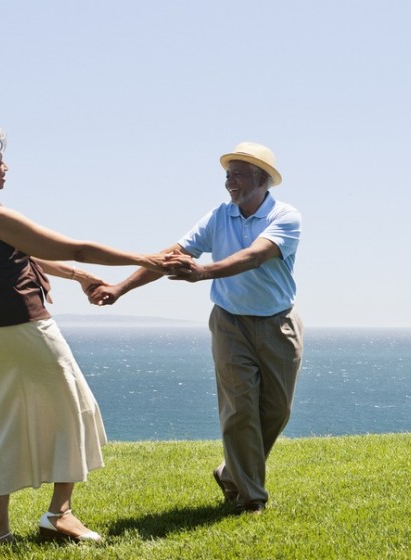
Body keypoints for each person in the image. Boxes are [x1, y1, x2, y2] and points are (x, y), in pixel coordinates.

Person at [0, 122, 170, 547]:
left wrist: (75, 275)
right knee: (76, 406)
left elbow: (17, 253)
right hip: (22, 323)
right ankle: (59, 514)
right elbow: (71, 246)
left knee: (1, 419)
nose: (6, 167)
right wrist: (146, 257)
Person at [92, 142, 302, 514]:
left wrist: (204, 271)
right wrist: (121, 288)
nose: (229, 183)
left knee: (276, 410)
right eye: (227, 175)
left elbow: (254, 256)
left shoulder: (285, 216)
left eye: (237, 174)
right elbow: (173, 255)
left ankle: (231, 472)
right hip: (230, 324)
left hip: (278, 324)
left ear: (261, 178)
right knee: (239, 410)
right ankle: (250, 499)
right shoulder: (218, 216)